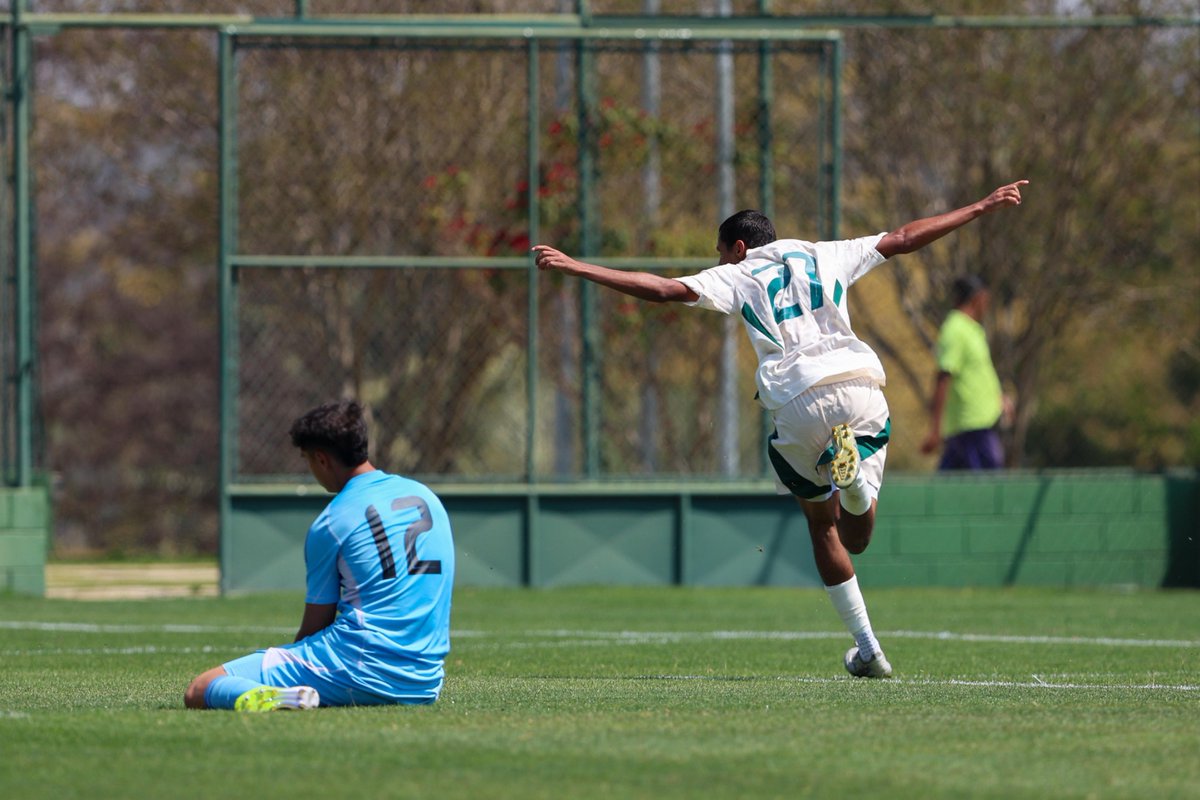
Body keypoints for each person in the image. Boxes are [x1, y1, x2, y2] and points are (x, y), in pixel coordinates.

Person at [533, 179, 1028, 678]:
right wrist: (980, 206)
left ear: (740, 247)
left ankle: (870, 650)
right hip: (859, 389)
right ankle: (853, 483)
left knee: (823, 526)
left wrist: (577, 266)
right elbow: (902, 237)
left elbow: (664, 290)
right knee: (859, 535)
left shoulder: (739, 273)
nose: (721, 261)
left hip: (797, 400)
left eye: (721, 252)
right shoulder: (826, 252)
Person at [184, 400, 455, 711]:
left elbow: (315, 626)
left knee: (201, 688)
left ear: (322, 459)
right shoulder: (428, 498)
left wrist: (294, 660)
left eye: (307, 461)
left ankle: (281, 697)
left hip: (358, 669)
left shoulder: (332, 521)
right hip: (424, 682)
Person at [920, 274, 1007, 470]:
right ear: (977, 297)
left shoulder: (972, 329)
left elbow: (979, 372)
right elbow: (943, 377)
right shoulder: (955, 329)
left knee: (952, 487)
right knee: (990, 487)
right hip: (970, 424)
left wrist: (999, 398)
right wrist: (935, 429)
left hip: (979, 422)